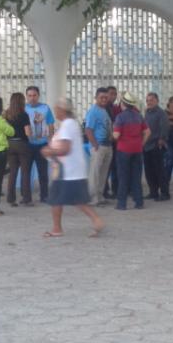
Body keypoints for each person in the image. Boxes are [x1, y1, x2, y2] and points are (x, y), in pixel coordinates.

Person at [41, 98, 105, 238]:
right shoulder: (70, 124)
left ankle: (57, 228)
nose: (55, 111)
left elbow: (65, 149)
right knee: (78, 200)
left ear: (62, 110)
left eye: (57, 108)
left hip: (66, 169)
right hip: (72, 169)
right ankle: (96, 220)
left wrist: (48, 151)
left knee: (56, 198)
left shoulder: (67, 125)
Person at [113, 92, 150, 210]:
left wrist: (111, 134)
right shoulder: (139, 116)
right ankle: (139, 202)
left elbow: (116, 135)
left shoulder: (120, 117)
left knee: (123, 177)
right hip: (137, 150)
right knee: (136, 176)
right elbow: (148, 132)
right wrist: (141, 143)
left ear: (123, 104)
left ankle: (121, 204)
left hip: (123, 150)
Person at [25, 86, 55, 203]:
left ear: (38, 96)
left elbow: (51, 124)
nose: (32, 98)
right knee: (26, 171)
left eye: (34, 95)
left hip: (42, 144)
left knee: (43, 171)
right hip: (27, 145)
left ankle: (44, 195)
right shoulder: (23, 108)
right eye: (30, 95)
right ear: (26, 96)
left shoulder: (45, 108)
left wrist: (50, 141)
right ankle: (26, 196)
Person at [84, 87, 113, 206]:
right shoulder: (93, 111)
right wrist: (95, 145)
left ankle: (100, 196)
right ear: (96, 98)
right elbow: (88, 129)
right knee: (95, 173)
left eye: (106, 97)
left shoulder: (104, 110)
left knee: (103, 173)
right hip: (99, 146)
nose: (104, 99)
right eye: (101, 97)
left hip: (107, 146)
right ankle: (93, 198)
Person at [5, 92, 32, 207]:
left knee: (12, 172)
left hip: (9, 144)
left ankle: (11, 199)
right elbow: (28, 132)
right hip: (22, 144)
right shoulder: (24, 114)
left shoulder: (6, 114)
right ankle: (26, 198)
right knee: (25, 172)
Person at [143, 92, 170, 201]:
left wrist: (162, 139)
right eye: (148, 100)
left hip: (156, 145)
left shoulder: (161, 113)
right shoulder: (147, 113)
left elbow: (165, 127)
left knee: (160, 171)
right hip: (146, 146)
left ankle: (165, 193)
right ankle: (153, 192)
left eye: (151, 100)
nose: (149, 102)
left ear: (157, 101)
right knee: (149, 171)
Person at [104, 85, 121, 199]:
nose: (113, 96)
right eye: (111, 93)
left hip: (115, 142)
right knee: (106, 168)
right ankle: (105, 191)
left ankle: (115, 190)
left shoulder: (113, 107)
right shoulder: (103, 108)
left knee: (115, 166)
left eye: (115, 94)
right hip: (106, 141)